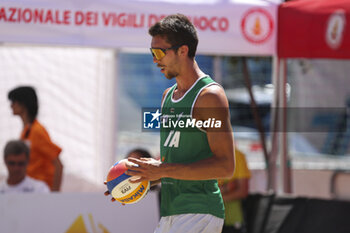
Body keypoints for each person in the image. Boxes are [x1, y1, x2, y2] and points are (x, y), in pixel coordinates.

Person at [106, 14, 235, 233]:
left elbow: (226, 166)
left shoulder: (209, 97)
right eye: (152, 53)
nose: (155, 60)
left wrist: (162, 170)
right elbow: (175, 165)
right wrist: (140, 178)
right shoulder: (168, 96)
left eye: (159, 52)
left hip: (200, 211)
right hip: (171, 211)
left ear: (182, 50)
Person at [8, 86, 63, 191]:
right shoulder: (26, 132)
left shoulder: (37, 131)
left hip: (42, 191)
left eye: (13, 101)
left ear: (23, 103)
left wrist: (55, 196)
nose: (11, 106)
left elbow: (58, 165)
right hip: (29, 190)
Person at [219, 148, 251, 233]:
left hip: (232, 221)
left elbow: (242, 191)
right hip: (207, 220)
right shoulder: (200, 155)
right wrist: (226, 188)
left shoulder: (236, 155)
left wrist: (211, 196)